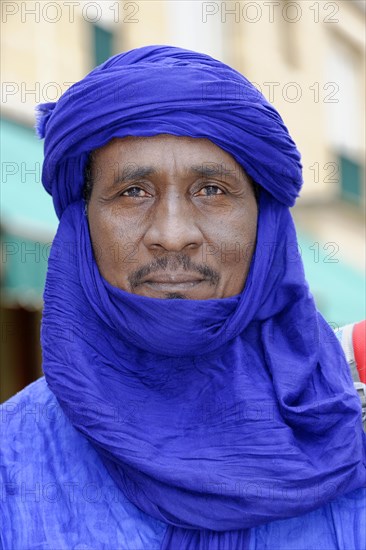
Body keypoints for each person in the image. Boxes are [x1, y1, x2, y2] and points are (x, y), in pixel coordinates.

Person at [1, 45, 365, 550]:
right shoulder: (10, 462)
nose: (173, 235)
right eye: (133, 192)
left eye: (212, 190)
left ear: (266, 222)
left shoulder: (348, 426)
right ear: (81, 228)